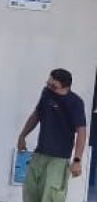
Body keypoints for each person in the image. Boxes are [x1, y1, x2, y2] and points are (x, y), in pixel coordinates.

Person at [17, 68, 87, 202]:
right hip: (40, 153)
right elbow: (37, 114)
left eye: (54, 86)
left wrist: (77, 160)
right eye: (48, 84)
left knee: (51, 197)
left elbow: (81, 132)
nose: (49, 88)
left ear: (66, 87)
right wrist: (22, 136)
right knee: (30, 193)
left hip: (59, 159)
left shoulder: (75, 102)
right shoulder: (46, 93)